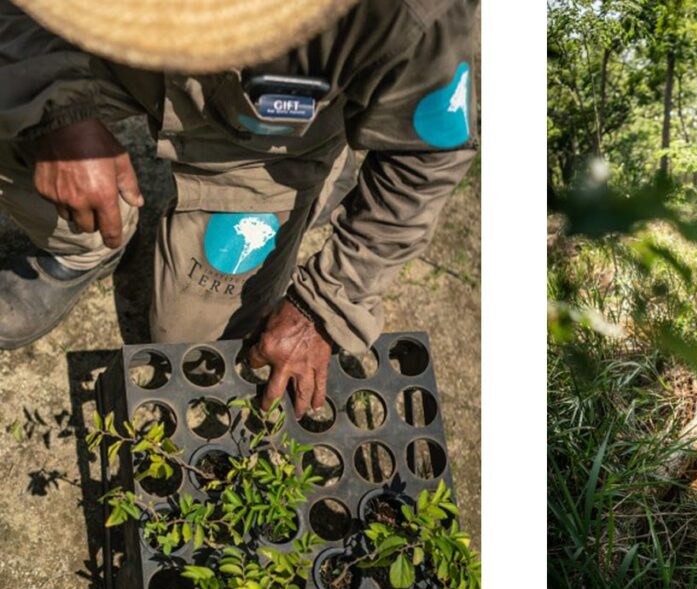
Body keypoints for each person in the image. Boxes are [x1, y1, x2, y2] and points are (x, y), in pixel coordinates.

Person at [0, 0, 478, 416]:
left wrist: (326, 306)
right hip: (113, 49)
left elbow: (425, 162)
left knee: (193, 353)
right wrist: (54, 110)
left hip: (261, 147)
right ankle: (83, 242)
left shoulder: (418, 12)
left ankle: (315, 176)